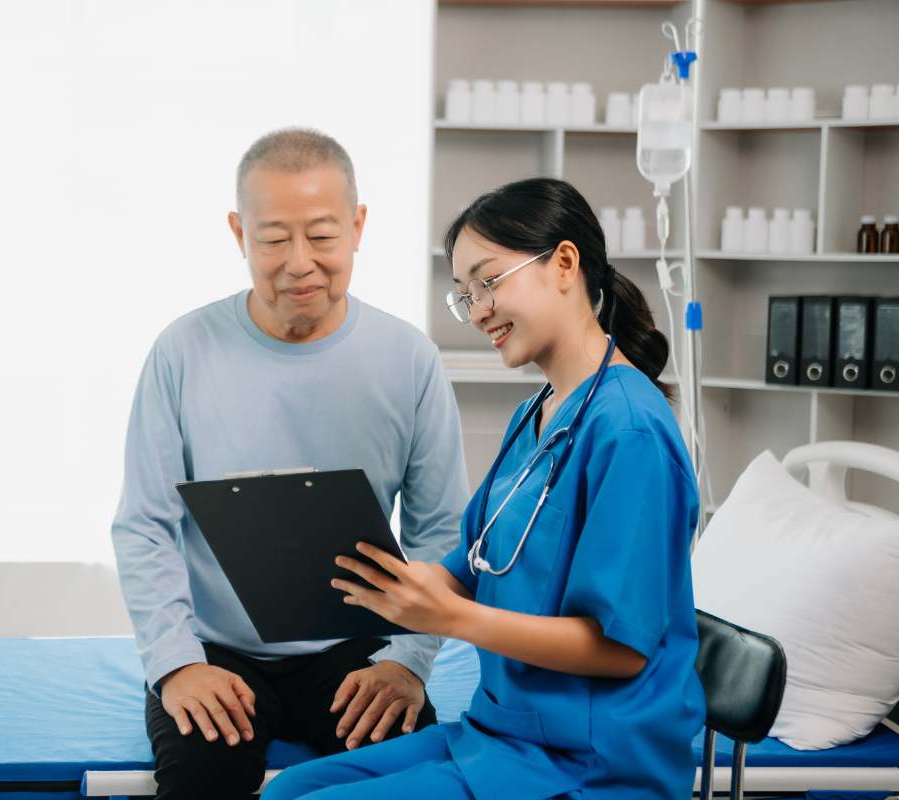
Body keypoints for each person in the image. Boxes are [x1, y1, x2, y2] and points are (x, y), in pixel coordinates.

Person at [263, 177, 706, 800]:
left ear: (564, 264)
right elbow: (469, 563)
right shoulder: (538, 413)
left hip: (589, 763)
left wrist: (453, 618)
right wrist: (373, 583)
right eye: (465, 295)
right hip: (502, 733)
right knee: (287, 792)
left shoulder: (628, 432)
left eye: (489, 282)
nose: (478, 311)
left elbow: (621, 650)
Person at [111, 127, 469, 800]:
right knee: (201, 783)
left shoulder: (409, 359)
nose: (300, 262)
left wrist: (409, 663)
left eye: (323, 236)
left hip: (362, 651)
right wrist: (176, 663)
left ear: (359, 226)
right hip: (216, 649)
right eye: (274, 239)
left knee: (418, 784)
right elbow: (143, 526)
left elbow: (442, 532)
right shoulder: (181, 352)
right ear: (238, 233)